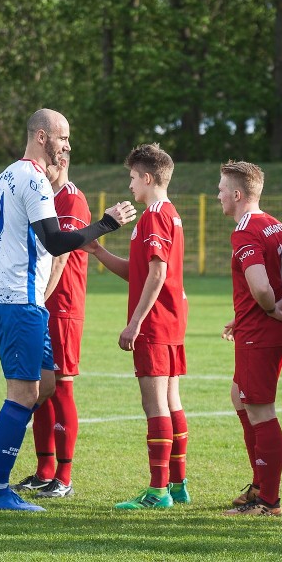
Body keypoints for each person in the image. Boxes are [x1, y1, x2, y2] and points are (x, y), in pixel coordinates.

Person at [0, 108, 136, 511]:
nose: (67, 146)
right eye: (62, 138)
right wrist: (106, 224)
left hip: (15, 299)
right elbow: (55, 242)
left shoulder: (3, 176)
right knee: (23, 394)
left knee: (48, 382)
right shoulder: (36, 179)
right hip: (21, 301)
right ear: (41, 136)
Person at [85, 143, 189, 510]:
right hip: (171, 320)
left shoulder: (155, 216)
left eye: (132, 178)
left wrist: (135, 323)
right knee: (171, 400)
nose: (130, 185)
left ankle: (158, 491)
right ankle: (177, 484)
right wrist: (99, 253)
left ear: (147, 178)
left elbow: (157, 273)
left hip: (156, 324)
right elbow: (138, 272)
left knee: (154, 403)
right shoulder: (168, 213)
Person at [216, 161, 282, 517]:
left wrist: (270, 311)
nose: (217, 196)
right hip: (259, 329)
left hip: (261, 334)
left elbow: (262, 287)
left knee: (261, 410)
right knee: (240, 396)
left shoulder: (246, 231)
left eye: (220, 190)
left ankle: (269, 501)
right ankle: (259, 484)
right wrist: (248, 315)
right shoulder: (277, 226)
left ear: (237, 195)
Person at [13, 151, 90, 499]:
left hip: (62, 305)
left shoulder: (71, 197)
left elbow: (61, 256)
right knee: (40, 387)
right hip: (42, 302)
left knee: (61, 386)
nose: (46, 165)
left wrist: (40, 298)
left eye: (54, 157)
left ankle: (64, 475)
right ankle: (44, 470)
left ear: (64, 158)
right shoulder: (45, 196)